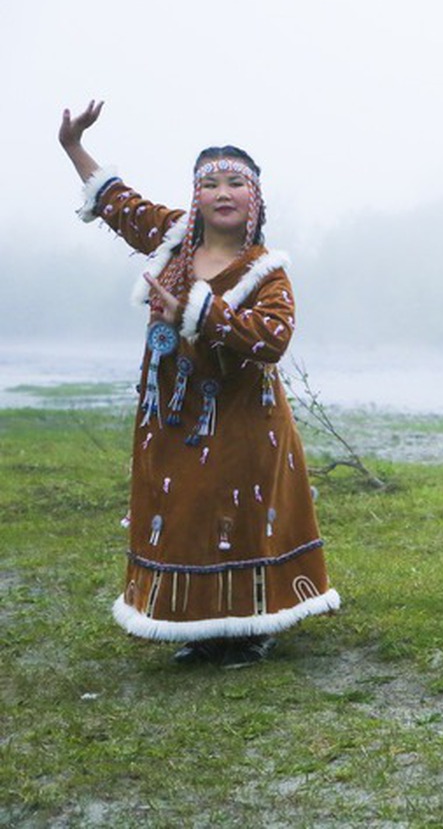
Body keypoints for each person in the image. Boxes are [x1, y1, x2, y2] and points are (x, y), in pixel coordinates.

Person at [59, 100, 340, 666]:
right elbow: (118, 202)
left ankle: (249, 628)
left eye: (236, 181)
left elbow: (272, 338)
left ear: (254, 198)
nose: (222, 191)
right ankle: (198, 625)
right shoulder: (173, 239)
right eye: (209, 182)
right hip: (172, 414)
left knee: (234, 514)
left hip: (242, 420)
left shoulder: (266, 270)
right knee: (183, 509)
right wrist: (73, 146)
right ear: (197, 197)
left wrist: (196, 310)